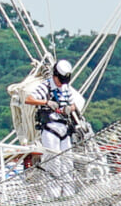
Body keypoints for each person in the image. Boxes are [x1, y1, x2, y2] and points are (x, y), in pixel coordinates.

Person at [24, 59, 86, 197]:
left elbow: (73, 103)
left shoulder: (66, 88)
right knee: (53, 161)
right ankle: (54, 195)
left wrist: (70, 108)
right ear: (55, 75)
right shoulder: (45, 86)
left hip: (64, 127)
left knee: (67, 162)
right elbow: (28, 99)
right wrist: (46, 102)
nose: (61, 83)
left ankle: (69, 193)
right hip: (50, 128)